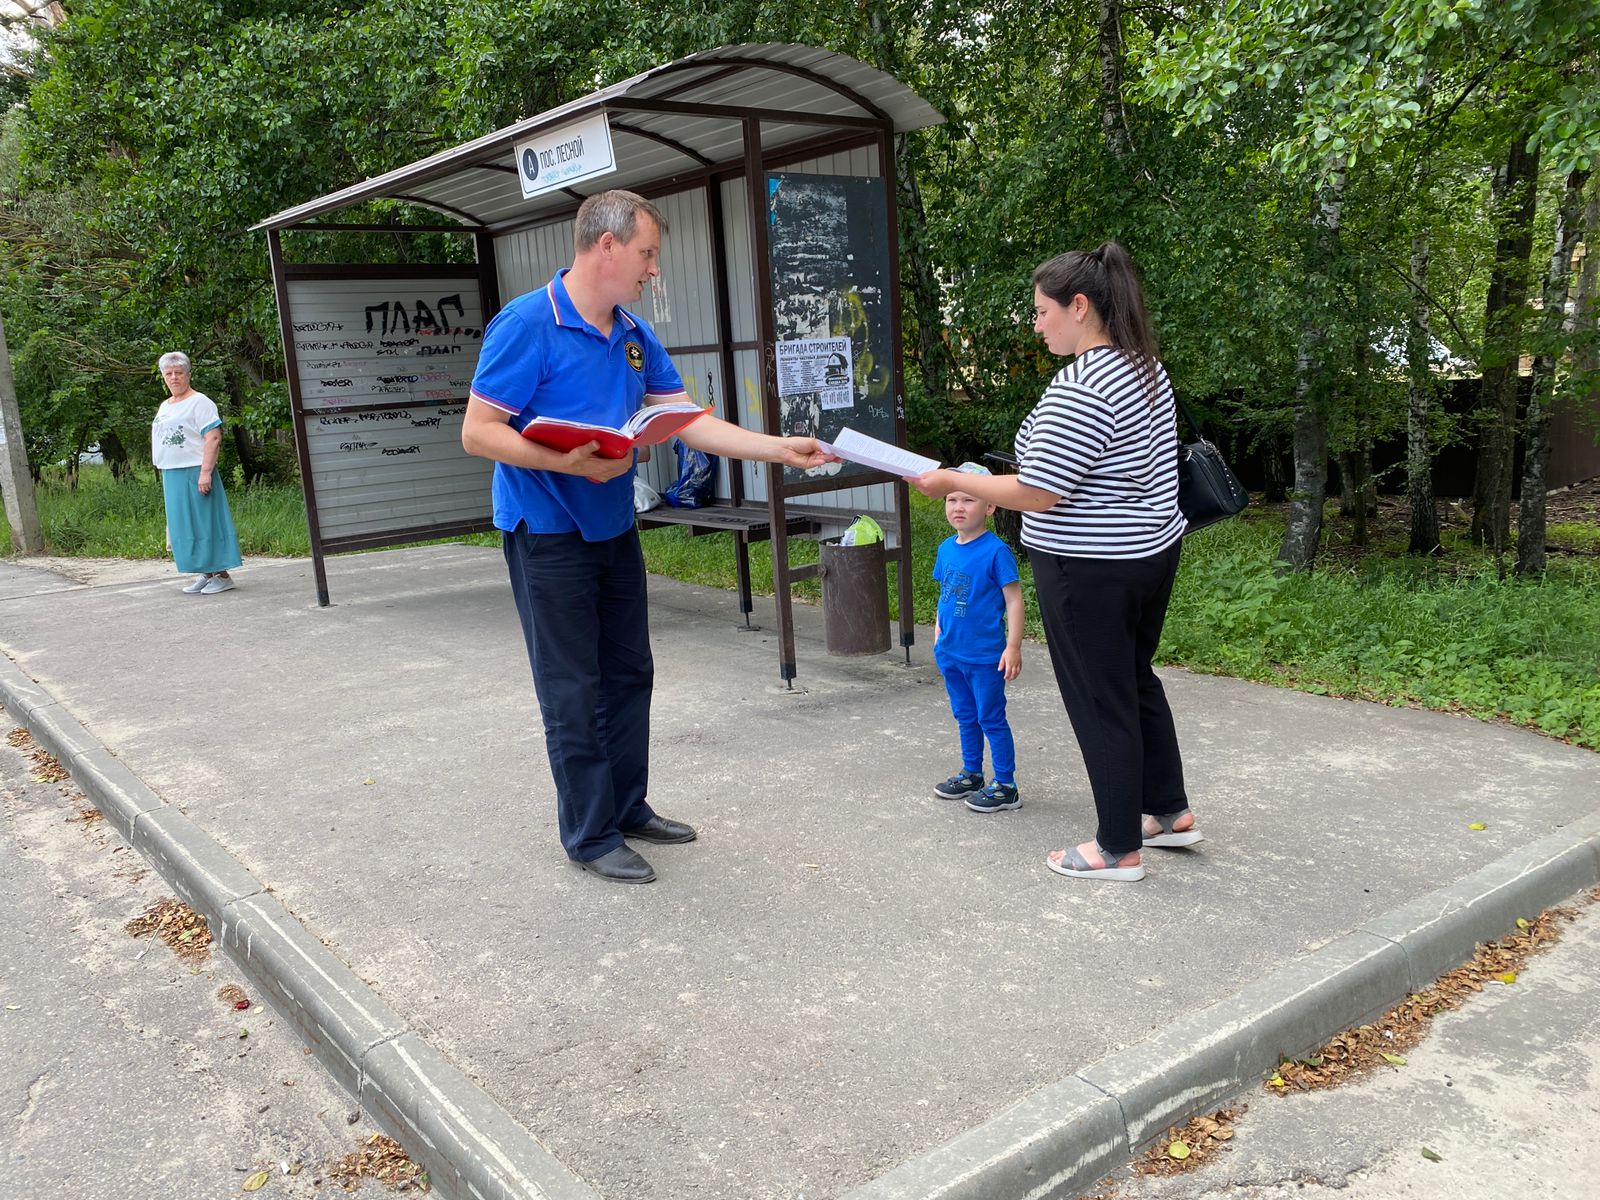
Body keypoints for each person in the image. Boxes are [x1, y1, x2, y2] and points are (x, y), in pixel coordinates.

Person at [462, 189, 833, 886]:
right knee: (572, 688)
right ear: (606, 246)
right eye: (647, 253)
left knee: (630, 673)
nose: (653, 268)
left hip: (612, 527)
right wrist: (565, 462)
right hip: (547, 534)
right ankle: (590, 834)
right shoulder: (526, 324)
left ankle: (627, 807)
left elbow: (687, 418)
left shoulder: (633, 335)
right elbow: (478, 432)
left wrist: (778, 448)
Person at [909, 241, 1199, 882]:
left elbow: (1040, 491)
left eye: (1043, 312)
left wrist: (951, 479)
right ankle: (1167, 810)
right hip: (1150, 552)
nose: (1037, 325)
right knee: (1134, 680)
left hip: (1090, 567)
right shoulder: (1144, 367)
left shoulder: (1083, 384)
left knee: (1101, 698)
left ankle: (1117, 846)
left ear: (1080, 306)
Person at [930, 462, 1024, 813]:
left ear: (990, 505)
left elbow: (1014, 600)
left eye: (969, 499)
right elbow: (945, 593)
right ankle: (972, 773)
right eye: (952, 499)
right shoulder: (946, 548)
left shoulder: (996, 551)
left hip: (985, 656)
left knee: (991, 718)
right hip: (951, 652)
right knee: (965, 715)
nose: (958, 507)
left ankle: (1006, 786)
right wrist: (938, 631)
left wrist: (1013, 646)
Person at [151, 352, 242, 595]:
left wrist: (205, 473)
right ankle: (207, 573)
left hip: (194, 470)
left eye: (179, 373)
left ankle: (222, 575)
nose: (174, 377)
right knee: (184, 525)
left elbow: (213, 437)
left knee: (204, 522)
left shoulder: (200, 402)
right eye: (169, 373)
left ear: (188, 375)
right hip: (172, 472)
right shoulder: (165, 405)